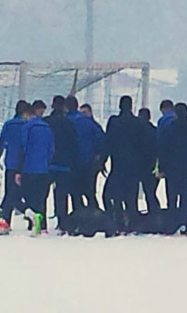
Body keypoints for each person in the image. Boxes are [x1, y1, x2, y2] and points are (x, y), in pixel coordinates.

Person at [101, 95, 146, 230]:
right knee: (131, 196)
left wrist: (103, 160)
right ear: (131, 106)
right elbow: (143, 146)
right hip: (134, 166)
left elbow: (108, 142)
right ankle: (133, 223)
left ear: (120, 106)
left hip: (118, 164)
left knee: (111, 195)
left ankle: (117, 220)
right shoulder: (138, 123)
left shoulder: (114, 122)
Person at [158, 103, 187, 234]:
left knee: (171, 198)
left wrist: (162, 168)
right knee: (185, 199)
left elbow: (162, 150)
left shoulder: (168, 130)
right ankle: (183, 226)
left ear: (175, 114)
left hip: (172, 169)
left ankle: (171, 225)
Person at [17, 101, 56, 234]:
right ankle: (43, 226)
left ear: (27, 114)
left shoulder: (27, 127)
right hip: (44, 168)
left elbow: (23, 148)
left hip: (29, 168)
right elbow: (51, 149)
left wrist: (19, 169)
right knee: (41, 198)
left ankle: (33, 223)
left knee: (28, 196)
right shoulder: (47, 127)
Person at [45, 96, 79, 231]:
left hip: (47, 164)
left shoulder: (46, 122)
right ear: (64, 107)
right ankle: (62, 223)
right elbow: (74, 145)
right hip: (65, 164)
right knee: (62, 195)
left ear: (52, 106)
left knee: (43, 195)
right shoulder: (69, 124)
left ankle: (41, 224)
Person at [0, 100, 29, 225]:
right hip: (25, 166)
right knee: (23, 194)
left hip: (10, 164)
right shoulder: (28, 125)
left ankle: (6, 220)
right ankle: (30, 216)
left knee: (10, 192)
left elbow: (1, 142)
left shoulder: (8, 124)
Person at [66, 95, 104, 210]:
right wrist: (98, 156)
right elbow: (101, 139)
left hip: (71, 163)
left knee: (75, 192)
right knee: (90, 192)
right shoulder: (88, 121)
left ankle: (79, 214)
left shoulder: (65, 121)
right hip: (89, 163)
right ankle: (95, 213)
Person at [138, 107, 161, 212]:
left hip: (140, 166)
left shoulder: (136, 132)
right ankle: (155, 212)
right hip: (152, 165)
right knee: (150, 192)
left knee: (146, 192)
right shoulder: (155, 131)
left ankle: (153, 213)